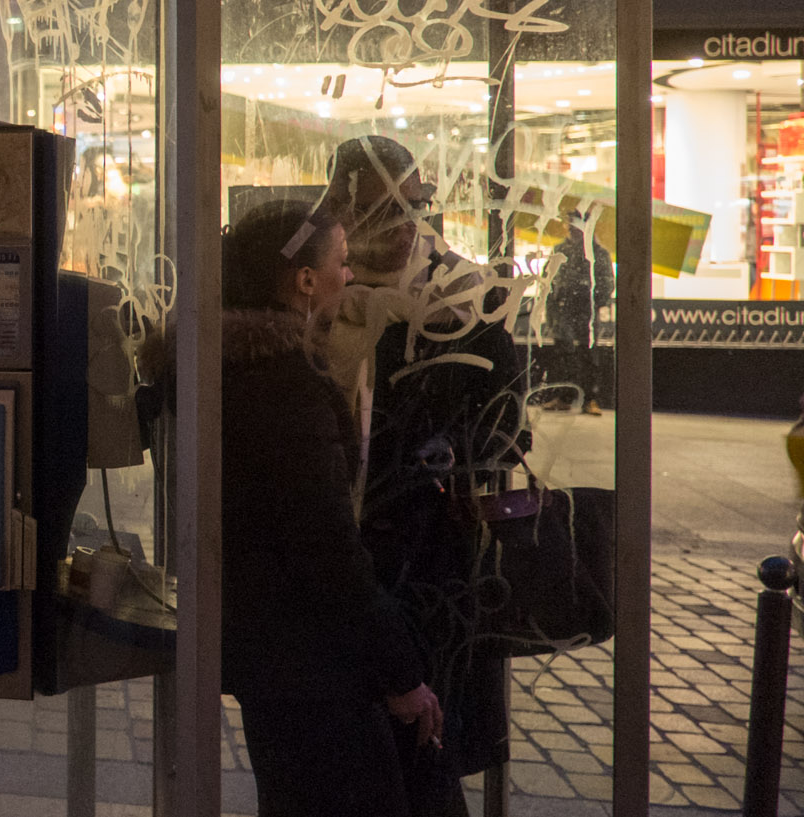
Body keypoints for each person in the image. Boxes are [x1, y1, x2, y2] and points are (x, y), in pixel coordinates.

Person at [141, 200, 440, 817]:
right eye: (341, 261)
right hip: (312, 665)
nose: (349, 275)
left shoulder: (223, 372)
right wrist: (400, 672)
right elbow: (325, 543)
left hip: (268, 655)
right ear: (305, 280)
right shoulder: (283, 386)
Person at [322, 134, 528, 816]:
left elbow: (509, 421)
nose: (404, 223)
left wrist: (451, 455)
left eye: (415, 205)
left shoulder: (459, 298)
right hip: (337, 566)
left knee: (423, 759)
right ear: (342, 213)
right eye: (382, 208)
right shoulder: (317, 297)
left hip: (428, 562)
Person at [541, 215, 614, 415]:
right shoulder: (560, 250)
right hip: (563, 310)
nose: (571, 229)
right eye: (569, 225)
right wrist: (552, 307)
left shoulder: (598, 253)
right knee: (562, 354)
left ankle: (589, 399)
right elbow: (547, 279)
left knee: (588, 355)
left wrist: (593, 301)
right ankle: (563, 397)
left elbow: (607, 283)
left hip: (586, 312)